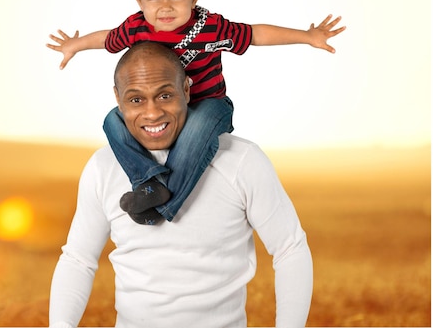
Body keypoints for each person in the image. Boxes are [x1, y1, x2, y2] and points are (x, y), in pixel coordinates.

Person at [47, 0, 345, 225]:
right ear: (139, 0)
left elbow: (255, 35)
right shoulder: (135, 27)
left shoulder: (211, 27)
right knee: (113, 120)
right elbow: (107, 38)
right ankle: (148, 182)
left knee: (196, 131)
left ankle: (163, 208)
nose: (165, 8)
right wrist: (76, 45)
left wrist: (307, 37)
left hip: (207, 104)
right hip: (164, 111)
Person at [48, 41, 313, 328]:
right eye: (136, 99)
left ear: (186, 90)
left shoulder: (242, 161)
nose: (152, 113)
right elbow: (78, 259)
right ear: (118, 98)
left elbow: (290, 249)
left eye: (164, 95)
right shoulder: (103, 167)